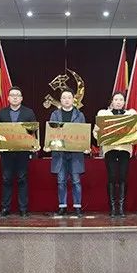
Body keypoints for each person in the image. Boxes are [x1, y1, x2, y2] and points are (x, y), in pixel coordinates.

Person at [0, 86, 37, 218]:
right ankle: (5, 208)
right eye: (12, 95)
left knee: (22, 179)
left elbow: (33, 132)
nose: (15, 97)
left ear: (21, 98)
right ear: (8, 98)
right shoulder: (1, 113)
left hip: (23, 152)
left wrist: (34, 144)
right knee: (6, 179)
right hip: (6, 153)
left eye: (17, 95)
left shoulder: (29, 113)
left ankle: (23, 209)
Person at [93, 92, 137, 217]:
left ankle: (121, 207)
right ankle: (112, 207)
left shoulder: (130, 114)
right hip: (110, 149)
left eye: (121, 99)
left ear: (124, 102)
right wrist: (100, 135)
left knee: (123, 177)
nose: (118, 102)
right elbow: (96, 133)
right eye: (116, 99)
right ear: (112, 101)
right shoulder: (104, 114)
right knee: (112, 177)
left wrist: (136, 133)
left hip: (125, 150)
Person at [48, 88, 86, 217]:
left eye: (69, 97)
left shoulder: (79, 115)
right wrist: (49, 145)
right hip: (60, 153)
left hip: (75, 153)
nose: (66, 100)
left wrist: (84, 145)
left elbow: (83, 134)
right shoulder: (55, 115)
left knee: (76, 181)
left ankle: (77, 207)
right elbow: (51, 132)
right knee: (61, 181)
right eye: (64, 97)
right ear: (60, 100)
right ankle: (62, 206)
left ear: (73, 99)